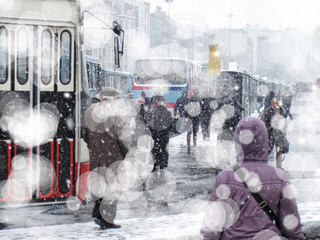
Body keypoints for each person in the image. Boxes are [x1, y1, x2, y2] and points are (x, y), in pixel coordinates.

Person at [200, 117, 304, 239]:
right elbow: (292, 229)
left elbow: (211, 229)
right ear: (265, 142)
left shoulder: (225, 178)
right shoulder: (279, 178)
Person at [82, 87, 132, 229]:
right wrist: (125, 153)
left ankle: (97, 214)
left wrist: (94, 146)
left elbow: (84, 133)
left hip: (96, 155)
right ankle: (107, 220)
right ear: (114, 99)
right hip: (113, 156)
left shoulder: (90, 111)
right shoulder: (118, 114)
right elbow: (124, 138)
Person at [260, 97, 288, 168]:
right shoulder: (268, 111)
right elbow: (263, 121)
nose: (276, 105)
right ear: (272, 104)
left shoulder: (282, 111)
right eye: (275, 103)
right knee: (268, 150)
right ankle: (263, 165)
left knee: (279, 151)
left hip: (279, 134)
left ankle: (279, 167)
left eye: (277, 104)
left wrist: (284, 130)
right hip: (270, 134)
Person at [146, 100, 173, 172]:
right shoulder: (168, 113)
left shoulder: (153, 112)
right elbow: (171, 124)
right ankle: (164, 163)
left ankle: (155, 163)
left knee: (155, 148)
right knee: (164, 148)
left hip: (155, 133)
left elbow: (149, 123)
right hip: (164, 133)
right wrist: (167, 130)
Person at [185, 88, 201, 156]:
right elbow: (201, 111)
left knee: (189, 133)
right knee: (195, 133)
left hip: (190, 118)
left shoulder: (190, 100)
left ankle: (188, 146)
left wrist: (187, 116)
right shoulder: (199, 101)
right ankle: (194, 144)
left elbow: (186, 110)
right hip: (196, 119)